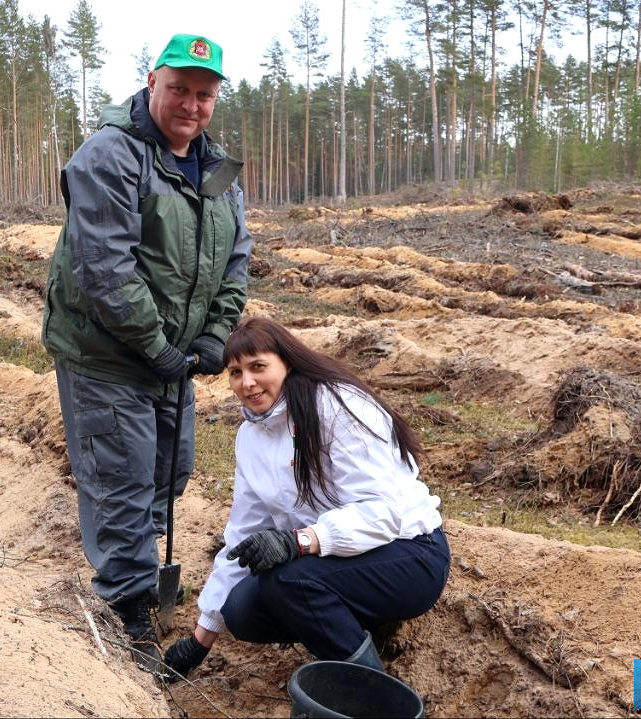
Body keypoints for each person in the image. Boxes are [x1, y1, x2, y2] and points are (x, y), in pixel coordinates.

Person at [42, 33, 250, 670]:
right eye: (179, 89)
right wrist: (155, 345)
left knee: (169, 473)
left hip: (171, 358)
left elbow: (235, 259)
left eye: (204, 94)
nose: (191, 104)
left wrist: (215, 335)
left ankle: (140, 579)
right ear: (152, 83)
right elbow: (104, 264)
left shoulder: (217, 170)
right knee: (121, 479)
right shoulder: (110, 154)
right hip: (108, 353)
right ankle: (128, 615)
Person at [161, 318, 450, 680]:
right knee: (242, 610)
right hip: (340, 561)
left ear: (287, 363)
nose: (247, 382)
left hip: (410, 553)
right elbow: (243, 536)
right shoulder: (251, 438)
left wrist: (300, 541)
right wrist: (201, 638)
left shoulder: (338, 406)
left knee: (290, 580)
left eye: (258, 367)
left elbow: (383, 514)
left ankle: (374, 694)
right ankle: (356, 634)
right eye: (235, 372)